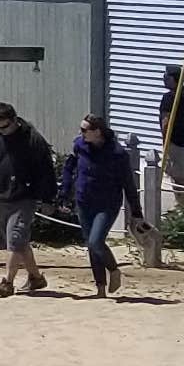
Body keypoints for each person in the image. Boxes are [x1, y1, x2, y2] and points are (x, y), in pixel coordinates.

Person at [0, 99, 58, 296]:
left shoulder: (33, 139)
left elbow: (46, 171)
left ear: (14, 120)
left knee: (15, 238)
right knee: (18, 242)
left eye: (5, 127)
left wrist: (48, 199)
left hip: (25, 197)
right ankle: (36, 278)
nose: (2, 131)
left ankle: (7, 282)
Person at [63, 114, 138, 300]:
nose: (80, 133)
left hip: (107, 203)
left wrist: (137, 212)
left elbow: (128, 184)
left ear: (97, 132)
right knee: (90, 244)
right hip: (84, 200)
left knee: (96, 241)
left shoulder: (117, 154)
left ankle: (113, 270)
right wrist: (64, 192)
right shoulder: (79, 146)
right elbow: (69, 167)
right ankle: (100, 288)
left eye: (84, 130)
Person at [157, 63, 184, 221]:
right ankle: (182, 203)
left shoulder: (170, 98)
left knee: (179, 174)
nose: (163, 78)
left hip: (176, 142)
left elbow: (166, 121)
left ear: (174, 79)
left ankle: (183, 205)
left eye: (166, 76)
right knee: (178, 170)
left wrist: (165, 142)